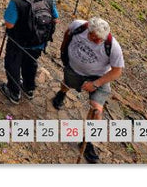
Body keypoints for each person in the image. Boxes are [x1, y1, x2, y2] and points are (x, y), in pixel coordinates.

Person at [53, 17, 125, 164]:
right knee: (66, 83)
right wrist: (63, 52)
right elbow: (67, 33)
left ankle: (87, 142)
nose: (99, 41)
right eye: (96, 38)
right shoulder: (78, 26)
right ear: (89, 32)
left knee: (97, 110)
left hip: (99, 77)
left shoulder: (113, 46)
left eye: (102, 39)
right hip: (74, 70)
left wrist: (96, 83)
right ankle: (61, 94)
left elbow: (117, 71)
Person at [1, 0, 58, 105]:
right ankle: (29, 89)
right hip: (39, 42)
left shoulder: (17, 2)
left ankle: (14, 92)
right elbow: (55, 18)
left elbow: (9, 25)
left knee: (13, 64)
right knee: (31, 64)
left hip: (18, 42)